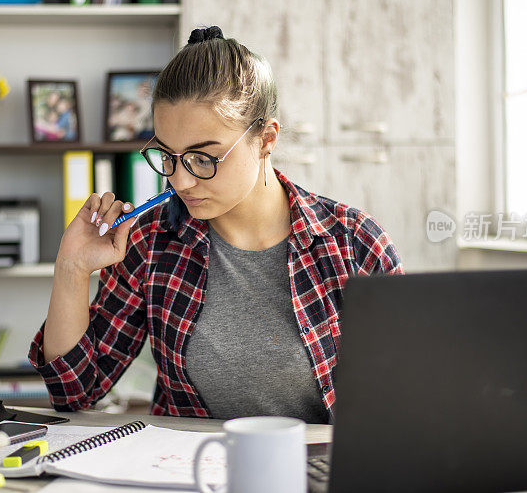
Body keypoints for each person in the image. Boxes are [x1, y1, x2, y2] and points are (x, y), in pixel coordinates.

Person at [28, 25, 404, 424]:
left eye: (203, 158)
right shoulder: (150, 240)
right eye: (167, 155)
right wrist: (71, 269)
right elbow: (75, 392)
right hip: (188, 475)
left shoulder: (353, 244)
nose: (179, 180)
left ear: (265, 139)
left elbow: (406, 397)